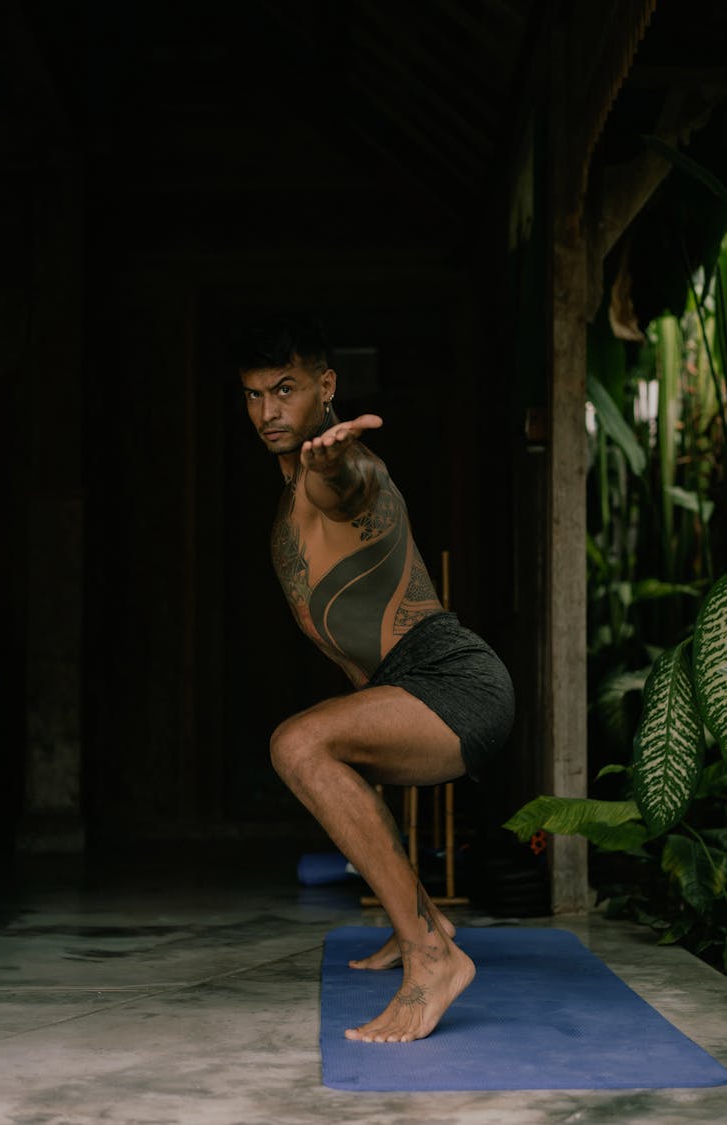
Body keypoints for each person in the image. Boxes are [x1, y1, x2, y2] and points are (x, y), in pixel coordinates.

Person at [236, 315, 514, 1043]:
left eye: (286, 389)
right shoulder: (287, 493)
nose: (269, 411)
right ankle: (420, 921)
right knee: (324, 745)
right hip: (405, 684)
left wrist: (334, 462)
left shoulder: (342, 472)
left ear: (326, 386)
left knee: (299, 745)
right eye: (255, 394)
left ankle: (433, 957)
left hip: (456, 683)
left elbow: (350, 483)